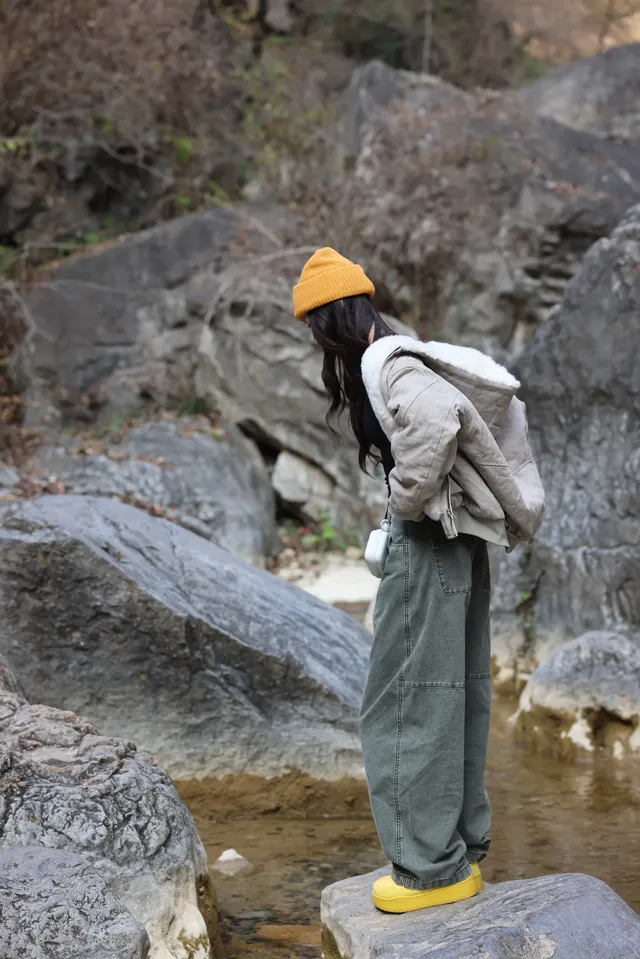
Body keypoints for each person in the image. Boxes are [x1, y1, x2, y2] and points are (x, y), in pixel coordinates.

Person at [292, 248, 545, 914]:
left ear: (328, 321)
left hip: (431, 547)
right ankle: (456, 853)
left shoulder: (386, 363)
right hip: (459, 545)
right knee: (455, 692)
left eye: (313, 325)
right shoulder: (404, 350)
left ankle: (429, 871)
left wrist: (404, 499)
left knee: (403, 701)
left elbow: (436, 423)